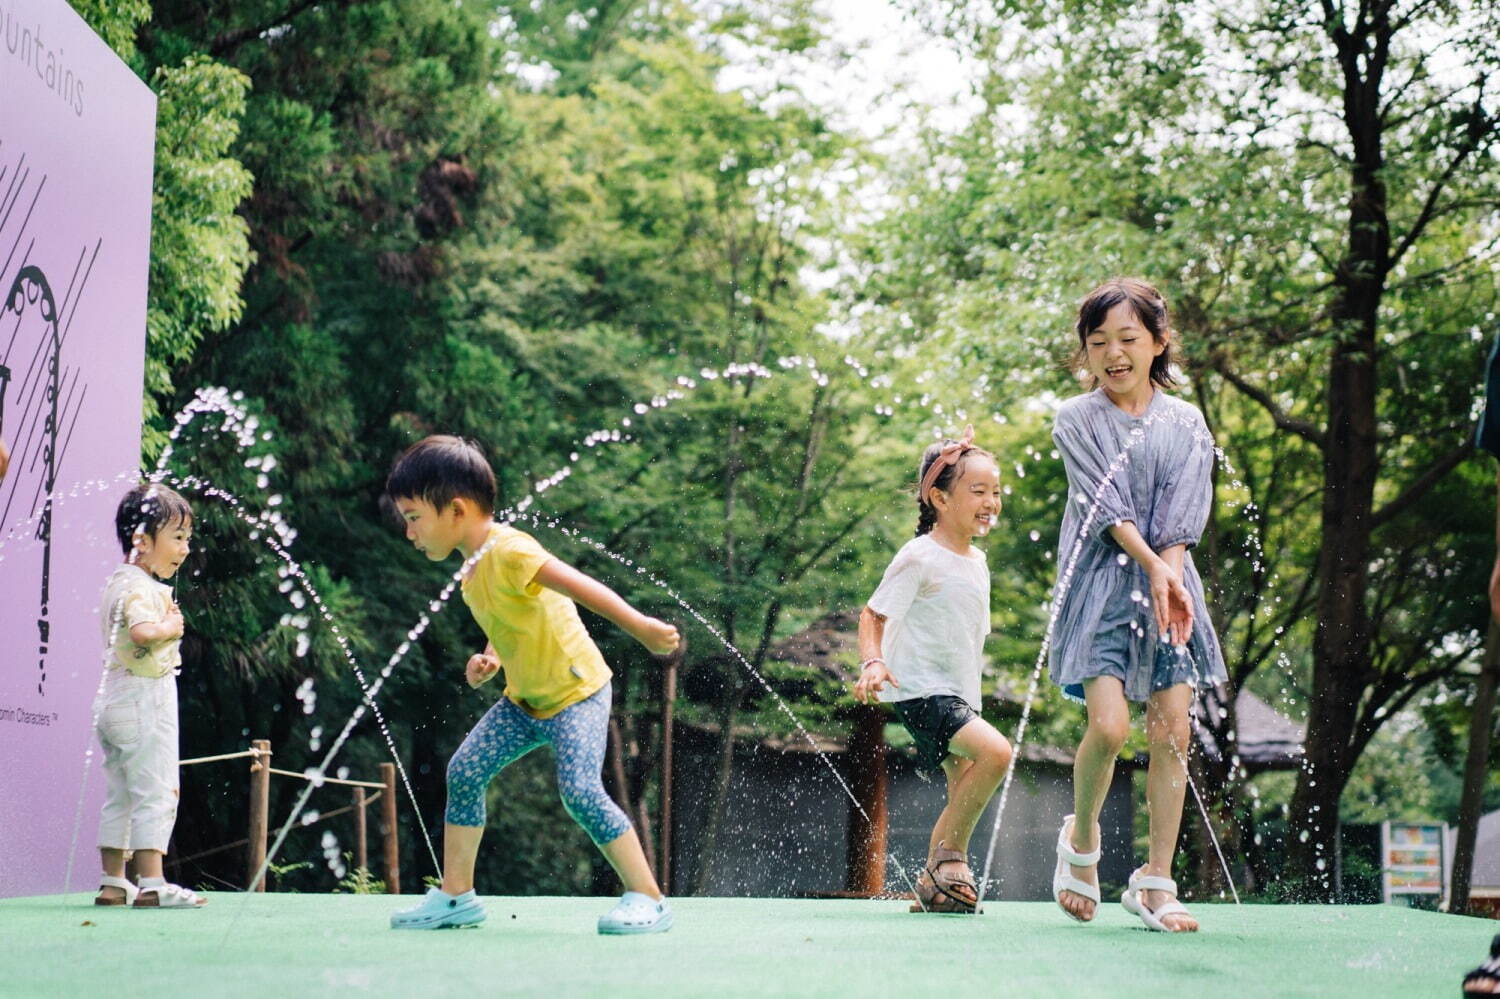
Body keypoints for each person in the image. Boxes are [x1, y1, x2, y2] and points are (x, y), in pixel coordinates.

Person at [384, 435, 679, 933]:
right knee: (465, 771)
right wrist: (490, 658)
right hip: (525, 701)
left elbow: (583, 589)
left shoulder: (511, 550)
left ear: (455, 510)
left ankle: (648, 896)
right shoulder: (472, 569)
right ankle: (456, 896)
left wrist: (642, 628)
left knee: (580, 791)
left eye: (414, 518)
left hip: (576, 693)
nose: (409, 532)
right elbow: (513, 616)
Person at [1047, 277, 1225, 933]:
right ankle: (1083, 840)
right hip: (1100, 584)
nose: (1114, 353)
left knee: (1173, 729)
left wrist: (1169, 576)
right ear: (1086, 352)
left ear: (1158, 341)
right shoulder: (1076, 419)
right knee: (1112, 726)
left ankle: (1155, 879)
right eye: (1099, 342)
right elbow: (1107, 505)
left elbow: (1183, 513)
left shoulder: (1186, 422)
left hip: (1171, 584)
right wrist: (1153, 567)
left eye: (1128, 338)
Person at [853, 426, 1014, 913]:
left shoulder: (978, 562)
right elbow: (872, 615)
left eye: (996, 492)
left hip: (958, 692)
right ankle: (948, 860)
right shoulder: (919, 554)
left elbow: (966, 636)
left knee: (963, 779)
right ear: (940, 499)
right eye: (978, 491)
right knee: (998, 754)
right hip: (922, 689)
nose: (990, 501)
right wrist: (874, 661)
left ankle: (938, 885)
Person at [94, 482, 205, 908]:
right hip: (144, 699)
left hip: (112, 700)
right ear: (142, 540)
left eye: (188, 539)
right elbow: (141, 632)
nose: (185, 549)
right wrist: (170, 629)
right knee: (156, 788)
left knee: (120, 790)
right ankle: (154, 882)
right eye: (177, 538)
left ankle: (113, 881)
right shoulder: (143, 588)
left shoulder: (115, 583)